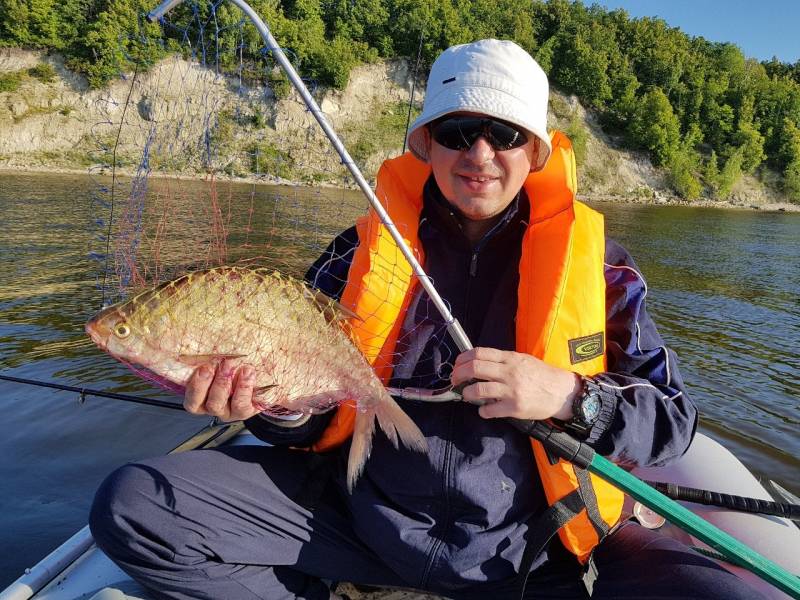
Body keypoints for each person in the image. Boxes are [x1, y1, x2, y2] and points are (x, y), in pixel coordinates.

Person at [90, 39, 765, 599]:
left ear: (534, 152)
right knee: (136, 505)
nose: (479, 154)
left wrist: (567, 395)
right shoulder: (360, 250)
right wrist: (274, 410)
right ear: (427, 144)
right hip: (363, 521)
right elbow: (311, 421)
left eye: (504, 133)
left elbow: (670, 423)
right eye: (457, 131)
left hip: (528, 556)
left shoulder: (605, 271)